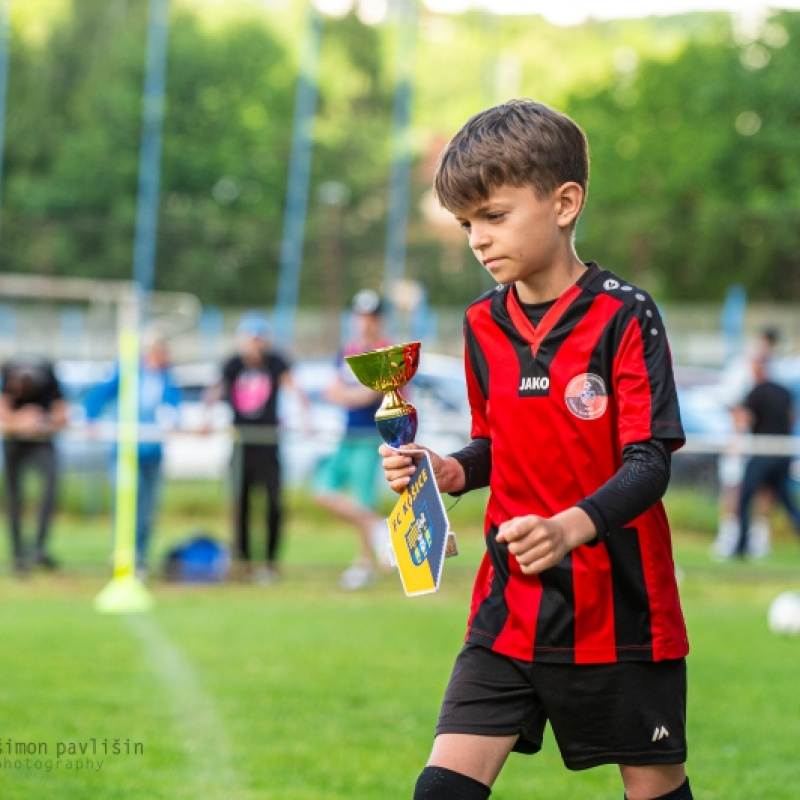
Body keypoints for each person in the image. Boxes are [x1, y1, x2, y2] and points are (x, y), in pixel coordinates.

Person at [379, 99, 693, 800]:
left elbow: (649, 463)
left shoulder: (624, 315)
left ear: (564, 202)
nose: (477, 240)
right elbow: (500, 443)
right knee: (442, 789)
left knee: (655, 788)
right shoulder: (481, 324)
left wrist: (566, 528)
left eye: (494, 216)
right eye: (466, 225)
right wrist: (451, 469)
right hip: (509, 603)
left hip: (622, 611)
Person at [205, 311, 310, 584]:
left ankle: (271, 563)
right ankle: (243, 562)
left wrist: (305, 419)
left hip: (268, 443)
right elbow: (214, 391)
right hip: (241, 444)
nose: (255, 344)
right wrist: (205, 419)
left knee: (274, 504)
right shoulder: (232, 364)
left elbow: (295, 390)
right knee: (240, 505)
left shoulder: (276, 363)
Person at [313, 289, 392, 591]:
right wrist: (349, 396)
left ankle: (364, 563)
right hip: (346, 435)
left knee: (362, 497)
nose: (366, 322)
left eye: (371, 317)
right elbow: (334, 390)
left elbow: (369, 395)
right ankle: (378, 528)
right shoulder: (347, 350)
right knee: (323, 490)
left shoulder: (384, 351)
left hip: (371, 435)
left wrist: (346, 396)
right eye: (362, 316)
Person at [85, 330, 181, 578]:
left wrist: (172, 419)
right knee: (128, 505)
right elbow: (100, 394)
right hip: (126, 451)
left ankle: (140, 558)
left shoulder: (166, 377)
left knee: (147, 509)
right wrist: (90, 418)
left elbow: (173, 405)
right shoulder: (128, 370)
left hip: (153, 451)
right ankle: (125, 554)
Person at [713, 326, 781, 559]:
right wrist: (739, 437)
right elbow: (735, 408)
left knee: (764, 488)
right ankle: (729, 534)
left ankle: (758, 536)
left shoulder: (775, 370)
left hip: (763, 441)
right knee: (733, 486)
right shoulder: (738, 370)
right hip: (740, 440)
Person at [0, 355, 68, 574]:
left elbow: (62, 414)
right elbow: (3, 412)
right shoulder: (8, 372)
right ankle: (19, 555)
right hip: (14, 443)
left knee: (50, 488)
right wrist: (20, 421)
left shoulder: (47, 376)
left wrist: (42, 421)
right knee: (14, 499)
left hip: (41, 441)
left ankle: (39, 549)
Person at [734, 353, 800, 558]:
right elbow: (791, 417)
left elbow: (744, 420)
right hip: (782, 450)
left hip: (763, 450)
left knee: (744, 498)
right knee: (786, 501)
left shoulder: (755, 392)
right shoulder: (783, 391)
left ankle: (741, 546)